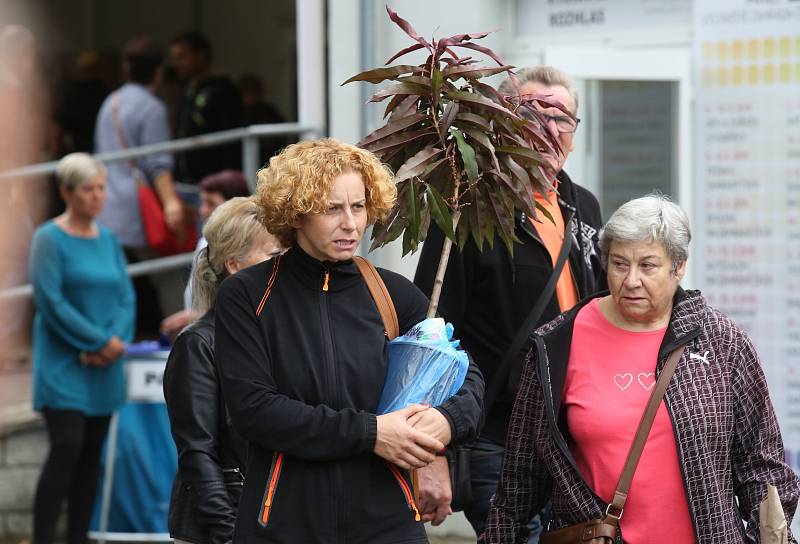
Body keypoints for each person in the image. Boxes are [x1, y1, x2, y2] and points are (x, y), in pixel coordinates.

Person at [482, 194, 800, 543]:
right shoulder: (556, 345)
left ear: (678, 267)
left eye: (647, 266)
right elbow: (517, 483)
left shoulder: (723, 343)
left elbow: (764, 470)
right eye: (619, 264)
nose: (631, 280)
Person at [214, 138, 484, 543]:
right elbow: (254, 410)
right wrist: (372, 434)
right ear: (296, 213)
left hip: (387, 522)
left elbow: (468, 379)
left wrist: (446, 421)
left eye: (358, 207)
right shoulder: (248, 294)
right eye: (331, 209)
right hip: (284, 523)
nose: (351, 224)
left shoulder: (393, 293)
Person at [414, 65, 605, 538]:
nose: (547, 127)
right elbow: (429, 330)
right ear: (501, 125)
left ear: (575, 135)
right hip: (497, 440)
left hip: (574, 439)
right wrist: (429, 453)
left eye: (561, 116)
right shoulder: (468, 205)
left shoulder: (584, 206)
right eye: (530, 113)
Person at [29, 153, 135, 544]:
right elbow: (50, 301)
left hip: (103, 363)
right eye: (88, 189)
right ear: (66, 192)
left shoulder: (107, 240)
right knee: (67, 447)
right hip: (64, 364)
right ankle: (42, 536)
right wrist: (95, 341)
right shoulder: (48, 238)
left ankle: (78, 536)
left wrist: (114, 342)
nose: (97, 197)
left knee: (92, 456)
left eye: (101, 188)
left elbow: (126, 296)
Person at [164, 197, 282, 544]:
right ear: (235, 264)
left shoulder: (278, 337)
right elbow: (198, 453)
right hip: (219, 528)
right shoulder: (199, 344)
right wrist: (229, 534)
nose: (285, 266)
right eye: (274, 256)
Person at [94, 35, 185, 335]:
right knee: (169, 276)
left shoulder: (111, 102)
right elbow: (157, 163)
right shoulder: (152, 108)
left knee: (117, 280)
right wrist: (171, 203)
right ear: (158, 71)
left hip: (107, 207)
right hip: (139, 210)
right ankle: (182, 340)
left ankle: (113, 339)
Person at [159, 169, 250, 338]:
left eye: (211, 203)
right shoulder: (204, 242)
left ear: (235, 205)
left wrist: (192, 317)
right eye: (202, 203)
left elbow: (242, 307)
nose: (203, 211)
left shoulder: (251, 247)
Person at [171, 31, 243, 184]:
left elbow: (232, 140)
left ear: (201, 55)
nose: (176, 63)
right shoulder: (186, 91)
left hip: (214, 183)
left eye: (182, 56)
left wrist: (228, 180)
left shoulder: (222, 89)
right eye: (174, 58)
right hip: (186, 183)